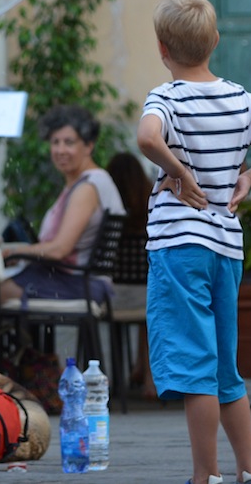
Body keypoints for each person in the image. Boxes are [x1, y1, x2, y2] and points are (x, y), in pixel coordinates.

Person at [137, 0, 251, 484]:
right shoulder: (239, 99)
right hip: (226, 248)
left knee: (196, 366)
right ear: (214, 41)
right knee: (224, 367)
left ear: (161, 48)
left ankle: (205, 476)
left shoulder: (165, 97)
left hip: (180, 248)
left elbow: (147, 138)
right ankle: (250, 470)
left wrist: (177, 172)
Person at [0, 105, 125, 303]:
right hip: (72, 279)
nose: (60, 150)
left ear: (88, 146)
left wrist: (15, 252)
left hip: (77, 283)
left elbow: (60, 250)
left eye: (69, 142)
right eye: (55, 142)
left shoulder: (87, 187)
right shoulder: (84, 182)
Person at [105, 151, 155, 398]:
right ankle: (148, 377)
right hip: (146, 296)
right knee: (149, 312)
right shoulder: (152, 214)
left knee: (141, 306)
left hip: (111, 298)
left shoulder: (107, 217)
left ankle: (119, 375)